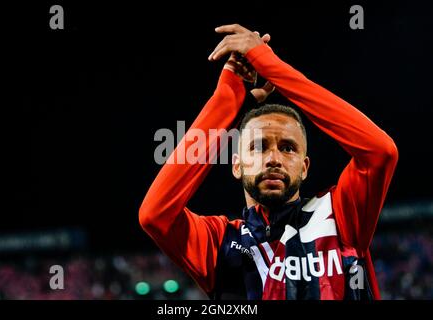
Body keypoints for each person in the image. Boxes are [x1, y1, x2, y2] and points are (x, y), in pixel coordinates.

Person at [139, 24, 398, 300]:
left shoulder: (339, 216)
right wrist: (228, 99)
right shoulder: (219, 241)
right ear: (236, 165)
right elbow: (155, 214)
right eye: (259, 147)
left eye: (288, 148)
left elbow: (380, 152)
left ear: (305, 166)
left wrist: (269, 63)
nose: (273, 159)